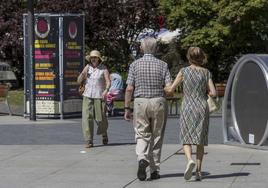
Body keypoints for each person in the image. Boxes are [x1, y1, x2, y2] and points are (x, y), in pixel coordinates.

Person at [165, 47, 216, 181]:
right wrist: (207, 93)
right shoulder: (206, 73)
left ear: (188, 57)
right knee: (200, 139)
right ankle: (198, 171)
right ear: (201, 57)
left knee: (186, 136)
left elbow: (171, 89)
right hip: (201, 107)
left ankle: (189, 160)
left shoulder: (183, 71)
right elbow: (214, 93)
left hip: (187, 106)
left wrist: (167, 89)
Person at [124, 37, 172, 181]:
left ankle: (142, 158)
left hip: (140, 102)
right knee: (157, 136)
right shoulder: (163, 65)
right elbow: (168, 88)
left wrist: (127, 107)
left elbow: (129, 88)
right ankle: (154, 170)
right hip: (158, 101)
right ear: (156, 49)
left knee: (141, 134)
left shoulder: (134, 65)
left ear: (142, 48)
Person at [77, 50, 111, 148]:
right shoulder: (88, 67)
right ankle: (89, 140)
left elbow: (108, 81)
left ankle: (104, 133)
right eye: (92, 58)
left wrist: (106, 90)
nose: (93, 59)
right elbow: (79, 81)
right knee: (87, 118)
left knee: (100, 119)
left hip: (99, 96)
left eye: (95, 58)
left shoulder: (103, 69)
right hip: (87, 95)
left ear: (99, 59)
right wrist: (82, 75)